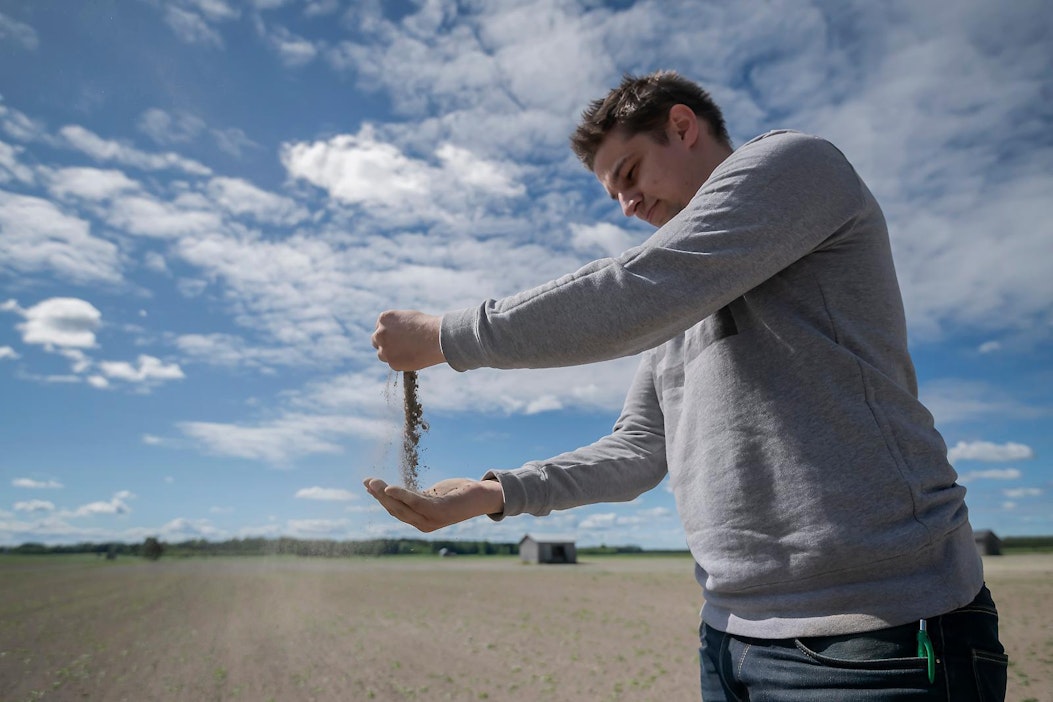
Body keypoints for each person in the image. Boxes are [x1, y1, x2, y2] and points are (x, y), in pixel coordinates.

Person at [365, 70, 1007, 701]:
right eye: (612, 193)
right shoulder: (679, 311)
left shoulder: (796, 165)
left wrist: (448, 336)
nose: (627, 204)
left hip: (874, 634)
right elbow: (640, 449)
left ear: (681, 125)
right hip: (729, 635)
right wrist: (494, 492)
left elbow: (637, 290)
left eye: (630, 173)